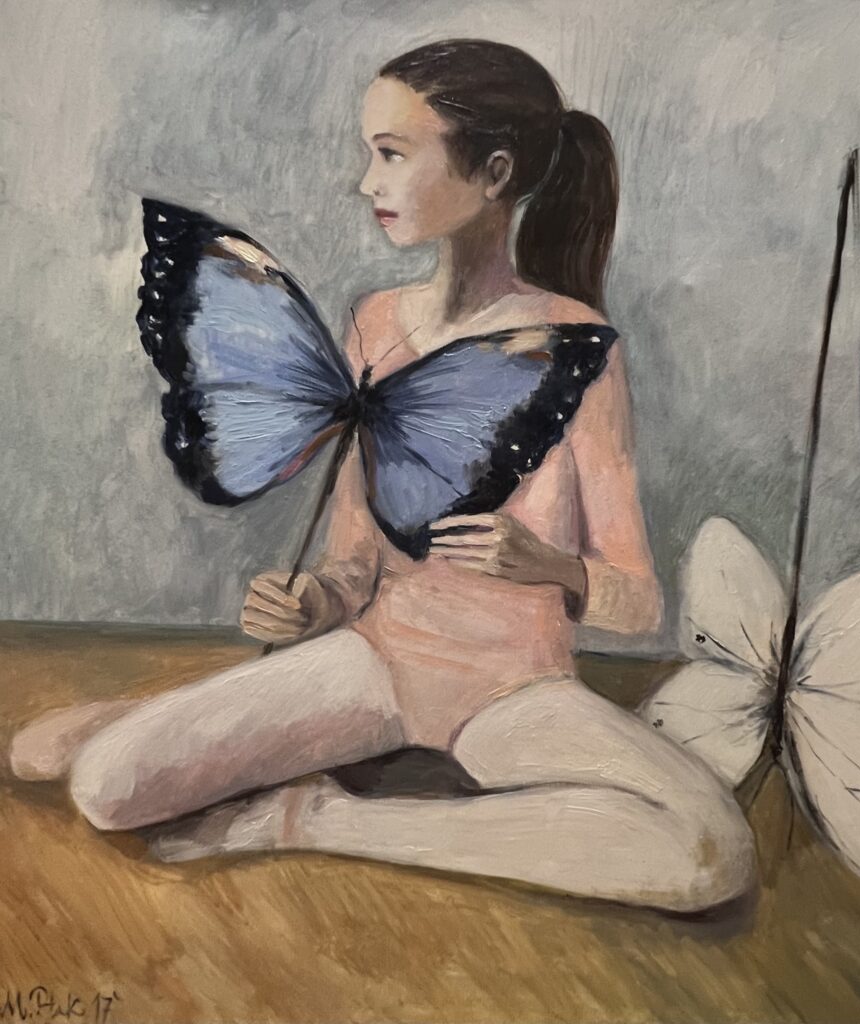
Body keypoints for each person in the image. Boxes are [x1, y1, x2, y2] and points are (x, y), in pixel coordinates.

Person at [9, 39, 756, 913]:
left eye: (393, 154)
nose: (367, 181)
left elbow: (637, 603)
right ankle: (173, 728)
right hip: (376, 666)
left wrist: (549, 566)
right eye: (371, 153)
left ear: (494, 173)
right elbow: (355, 566)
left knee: (711, 851)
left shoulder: (578, 346)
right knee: (105, 789)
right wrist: (311, 604)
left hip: (515, 695)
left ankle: (320, 817)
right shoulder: (372, 322)